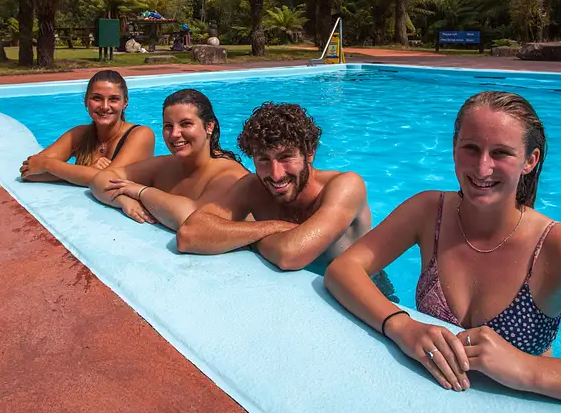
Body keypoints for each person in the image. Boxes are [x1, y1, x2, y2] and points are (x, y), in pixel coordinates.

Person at [323, 91, 561, 413]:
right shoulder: (428, 212)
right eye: (470, 148)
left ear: (530, 160)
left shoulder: (559, 250)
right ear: (454, 147)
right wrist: (401, 325)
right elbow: (344, 269)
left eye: (501, 153)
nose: (482, 167)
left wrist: (526, 369)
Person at [176, 102, 371, 272]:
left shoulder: (346, 186)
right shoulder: (252, 187)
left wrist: (241, 238)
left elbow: (291, 255)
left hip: (354, 293)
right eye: (263, 160)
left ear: (309, 153)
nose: (276, 174)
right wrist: (274, 227)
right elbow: (188, 235)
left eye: (286, 157)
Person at [89, 89, 249, 229]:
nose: (174, 134)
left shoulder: (229, 175)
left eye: (186, 124)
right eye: (168, 126)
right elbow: (100, 180)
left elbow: (194, 220)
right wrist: (123, 200)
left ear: (209, 126)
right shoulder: (164, 165)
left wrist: (141, 192)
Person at [20, 70, 155, 186]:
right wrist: (88, 171)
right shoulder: (79, 134)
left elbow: (110, 181)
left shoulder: (141, 134)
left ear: (125, 103)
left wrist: (48, 165)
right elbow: (29, 171)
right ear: (86, 101)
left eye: (113, 99)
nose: (105, 106)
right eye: (97, 98)